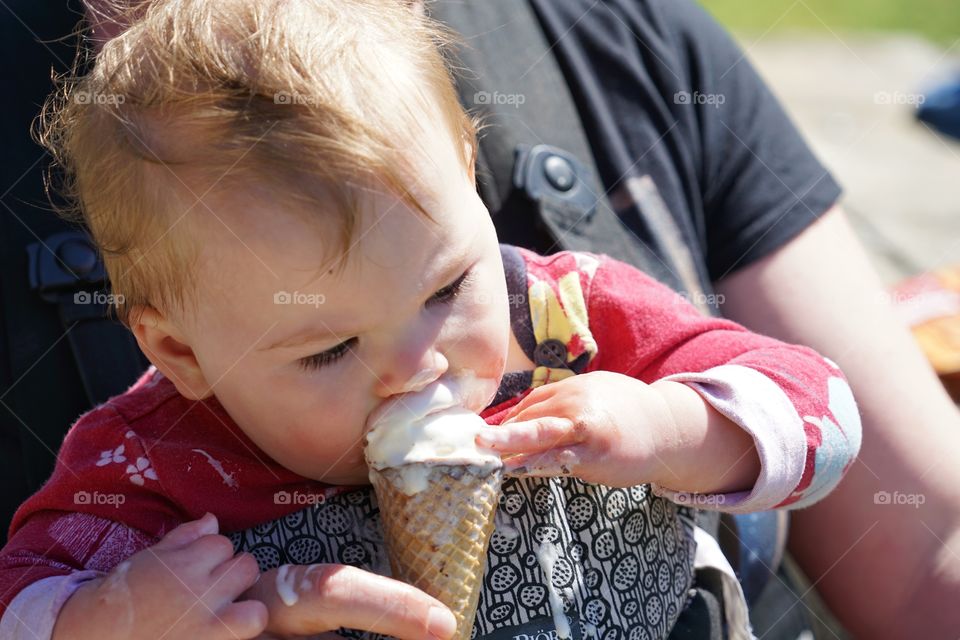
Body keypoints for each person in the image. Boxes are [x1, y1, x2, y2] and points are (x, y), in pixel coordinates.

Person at [0, 0, 862, 638]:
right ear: (180, 350)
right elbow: (27, 595)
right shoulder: (151, 455)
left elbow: (820, 406)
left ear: (468, 170)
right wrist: (105, 618)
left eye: (446, 290)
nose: (418, 365)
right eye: (330, 347)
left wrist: (675, 423)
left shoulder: (568, 316)